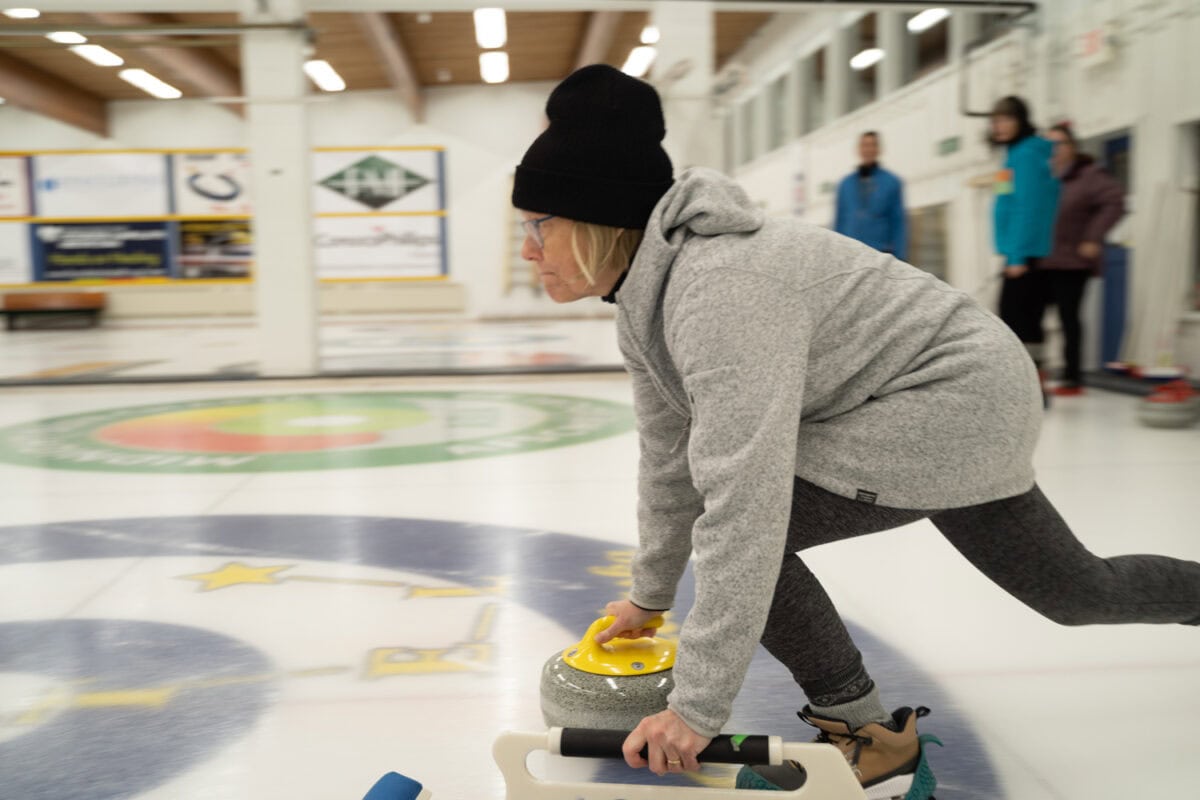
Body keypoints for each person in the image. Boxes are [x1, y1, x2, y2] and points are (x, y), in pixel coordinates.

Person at [512, 65, 1200, 799]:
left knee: (751, 532)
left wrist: (695, 708)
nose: (526, 248)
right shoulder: (644, 302)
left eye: (537, 226)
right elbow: (667, 459)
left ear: (594, 220)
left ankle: (869, 738)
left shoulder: (719, 290)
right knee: (1075, 592)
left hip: (951, 400)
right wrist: (650, 596)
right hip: (937, 397)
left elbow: (742, 501)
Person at [1041, 123, 1126, 395]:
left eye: (1060, 143)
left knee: (1069, 319)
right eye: (1049, 145)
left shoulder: (1088, 175)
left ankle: (1072, 376)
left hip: (1071, 262)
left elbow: (1115, 201)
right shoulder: (1043, 176)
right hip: (1040, 260)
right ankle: (1035, 372)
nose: (1054, 150)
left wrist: (1093, 236)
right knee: (1031, 318)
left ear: (1072, 147)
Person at [989, 96, 1061, 403]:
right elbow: (1010, 201)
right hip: (1018, 253)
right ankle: (1031, 389)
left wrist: (1017, 257)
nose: (999, 126)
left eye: (1006, 119)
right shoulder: (1015, 155)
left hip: (1024, 256)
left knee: (1018, 323)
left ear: (1020, 120)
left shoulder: (1027, 154)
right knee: (1021, 321)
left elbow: (1028, 208)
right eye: (996, 120)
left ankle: (1030, 390)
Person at [833, 131, 908, 261]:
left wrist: (900, 257)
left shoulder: (892, 182)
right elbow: (839, 222)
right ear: (859, 149)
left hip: (880, 256)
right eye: (865, 145)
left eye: (872, 145)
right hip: (850, 256)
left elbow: (898, 221)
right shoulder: (845, 185)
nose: (868, 149)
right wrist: (835, 255)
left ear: (878, 149)